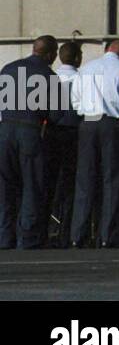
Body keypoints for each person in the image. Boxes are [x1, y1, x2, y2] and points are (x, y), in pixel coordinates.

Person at [70, 39, 119, 248]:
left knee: (85, 180)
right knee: (113, 180)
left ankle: (79, 235)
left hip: (88, 123)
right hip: (114, 125)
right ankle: (108, 235)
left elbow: (75, 101)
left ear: (106, 50)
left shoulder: (85, 70)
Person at [0, 35, 58, 249]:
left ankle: (4, 236)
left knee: (4, 187)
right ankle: (28, 237)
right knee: (32, 186)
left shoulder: (7, 69)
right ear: (51, 54)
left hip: (4, 131)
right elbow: (57, 114)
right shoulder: (49, 75)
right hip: (30, 132)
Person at [45, 41, 82, 248]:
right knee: (70, 185)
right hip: (73, 134)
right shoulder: (81, 78)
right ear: (77, 58)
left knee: (49, 183)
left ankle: (48, 227)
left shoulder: (50, 77)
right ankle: (66, 231)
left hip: (51, 134)